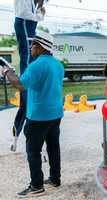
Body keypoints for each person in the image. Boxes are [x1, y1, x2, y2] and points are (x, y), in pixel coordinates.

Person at [0, 31, 64, 197]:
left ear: (41, 46)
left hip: (38, 116)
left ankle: (36, 186)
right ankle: (55, 179)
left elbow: (20, 85)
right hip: (55, 114)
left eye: (34, 44)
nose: (31, 47)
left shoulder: (37, 65)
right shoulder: (58, 64)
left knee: (33, 151)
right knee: (53, 147)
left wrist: (7, 73)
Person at [12, 0, 47, 151]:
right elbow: (23, 14)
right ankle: (17, 139)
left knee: (31, 58)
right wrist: (38, 15)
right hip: (24, 28)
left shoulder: (34, 4)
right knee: (27, 57)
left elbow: (34, 16)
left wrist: (39, 12)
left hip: (29, 30)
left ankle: (20, 140)